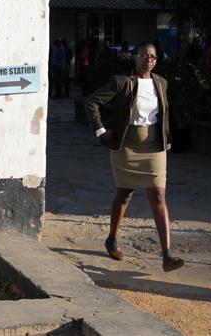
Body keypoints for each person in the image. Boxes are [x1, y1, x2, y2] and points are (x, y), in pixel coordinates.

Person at [84, 42, 184, 272]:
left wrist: (167, 139)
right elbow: (92, 102)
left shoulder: (161, 82)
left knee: (158, 195)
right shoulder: (122, 81)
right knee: (124, 194)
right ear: (135, 57)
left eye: (153, 57)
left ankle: (167, 255)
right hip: (126, 145)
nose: (149, 60)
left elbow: (165, 114)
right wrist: (100, 130)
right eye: (144, 55)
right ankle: (112, 239)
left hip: (154, 146)